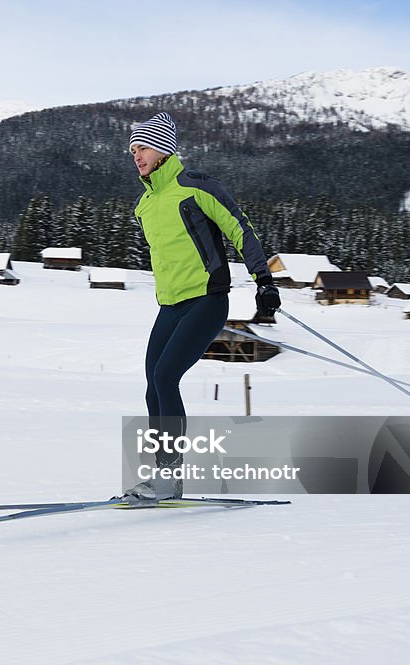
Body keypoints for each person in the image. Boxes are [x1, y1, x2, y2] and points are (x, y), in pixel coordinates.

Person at [125, 112, 280, 502]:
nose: (136, 156)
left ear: (162, 149)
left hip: (207, 301)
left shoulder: (197, 188)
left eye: (142, 147)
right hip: (170, 306)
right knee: (152, 387)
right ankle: (164, 475)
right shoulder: (145, 204)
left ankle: (169, 478)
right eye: (131, 150)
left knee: (164, 378)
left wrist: (264, 280)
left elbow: (239, 228)